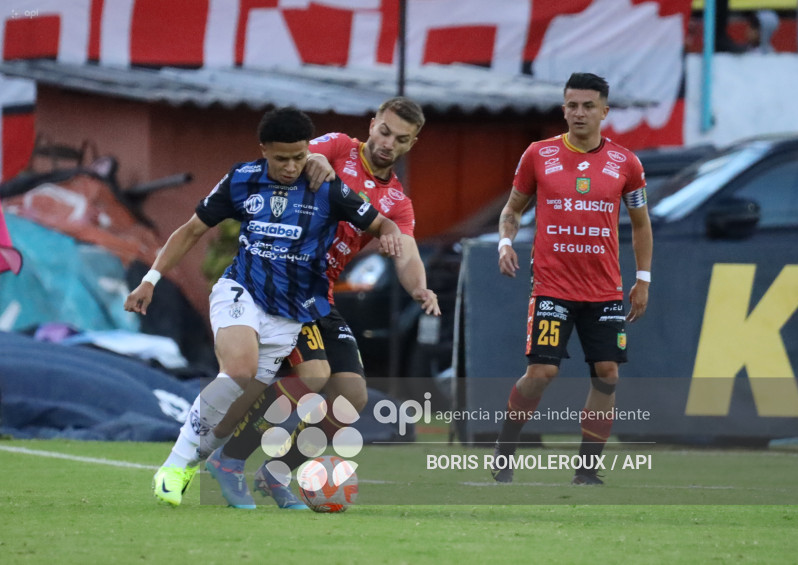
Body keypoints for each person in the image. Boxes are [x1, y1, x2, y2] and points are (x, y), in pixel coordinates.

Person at [124, 107, 403, 506]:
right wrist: (150, 280)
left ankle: (218, 460)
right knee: (239, 369)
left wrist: (390, 234)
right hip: (242, 291)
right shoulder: (242, 179)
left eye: (299, 156)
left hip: (291, 312)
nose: (291, 167)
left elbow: (381, 223)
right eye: (281, 158)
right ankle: (175, 464)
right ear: (264, 151)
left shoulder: (328, 188)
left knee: (262, 395)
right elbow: (191, 230)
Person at [203, 97, 441, 509]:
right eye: (384, 131)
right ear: (372, 124)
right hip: (282, 283)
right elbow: (294, 160)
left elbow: (406, 252)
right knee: (312, 377)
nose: (388, 143)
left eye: (401, 139)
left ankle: (275, 472)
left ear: (412, 144)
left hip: (320, 297)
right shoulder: (336, 146)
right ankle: (229, 458)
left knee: (352, 398)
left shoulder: (397, 202)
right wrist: (318, 162)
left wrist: (420, 288)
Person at [491, 72, 653, 485]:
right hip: (552, 286)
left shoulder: (627, 163)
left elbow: (641, 224)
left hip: (604, 289)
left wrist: (644, 278)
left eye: (587, 106)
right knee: (542, 373)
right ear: (563, 109)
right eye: (571, 105)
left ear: (604, 111)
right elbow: (512, 209)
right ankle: (506, 447)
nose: (578, 113)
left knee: (608, 374)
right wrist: (504, 243)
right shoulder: (537, 155)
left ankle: (587, 469)